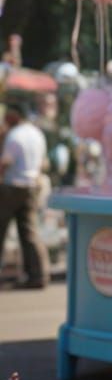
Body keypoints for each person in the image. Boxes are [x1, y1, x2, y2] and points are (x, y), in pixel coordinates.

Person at [0, 102, 50, 288]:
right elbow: (43, 162)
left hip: (11, 187)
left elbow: (5, 163)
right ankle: (38, 275)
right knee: (29, 233)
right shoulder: (37, 134)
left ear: (14, 116)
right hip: (31, 186)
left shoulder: (14, 136)